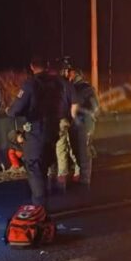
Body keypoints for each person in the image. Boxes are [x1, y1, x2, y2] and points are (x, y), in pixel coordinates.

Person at [7, 55, 70, 207]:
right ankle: (43, 207)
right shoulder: (58, 84)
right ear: (47, 65)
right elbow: (64, 107)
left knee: (34, 169)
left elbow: (15, 110)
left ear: (32, 66)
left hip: (36, 133)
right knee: (43, 169)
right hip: (53, 133)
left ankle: (39, 211)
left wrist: (11, 110)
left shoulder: (31, 84)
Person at [65, 66, 98, 185]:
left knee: (84, 151)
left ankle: (85, 180)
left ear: (74, 73)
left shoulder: (86, 88)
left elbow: (94, 107)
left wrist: (87, 119)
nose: (67, 75)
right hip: (75, 124)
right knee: (76, 150)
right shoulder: (70, 88)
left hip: (84, 123)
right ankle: (81, 175)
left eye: (69, 73)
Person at [53, 58, 79, 190]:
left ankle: (54, 177)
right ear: (66, 71)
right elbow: (74, 106)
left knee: (58, 148)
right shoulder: (68, 86)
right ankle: (63, 178)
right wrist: (73, 122)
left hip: (49, 122)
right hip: (63, 121)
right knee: (63, 148)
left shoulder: (49, 85)